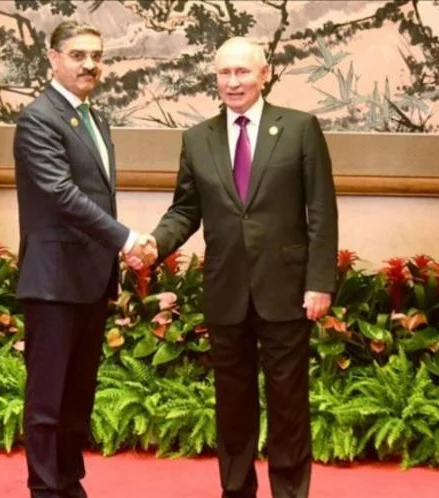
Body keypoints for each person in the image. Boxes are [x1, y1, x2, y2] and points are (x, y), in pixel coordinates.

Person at [149, 36, 338, 498]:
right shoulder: (198, 139)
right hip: (226, 289)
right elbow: (185, 210)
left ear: (264, 74)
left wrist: (319, 282)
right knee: (232, 405)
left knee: (288, 404)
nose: (233, 82)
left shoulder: (299, 129)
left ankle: (289, 492)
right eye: (224, 73)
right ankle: (236, 491)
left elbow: (321, 211)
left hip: (286, 289)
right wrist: (155, 243)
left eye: (242, 72)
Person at [13, 21, 156, 498]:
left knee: (77, 397)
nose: (89, 64)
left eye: (96, 55)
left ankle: (69, 484)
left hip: (90, 280)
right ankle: (45, 489)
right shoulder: (38, 118)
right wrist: (126, 239)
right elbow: (60, 194)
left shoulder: (95, 119)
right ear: (53, 58)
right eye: (77, 55)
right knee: (47, 401)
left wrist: (119, 247)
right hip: (53, 282)